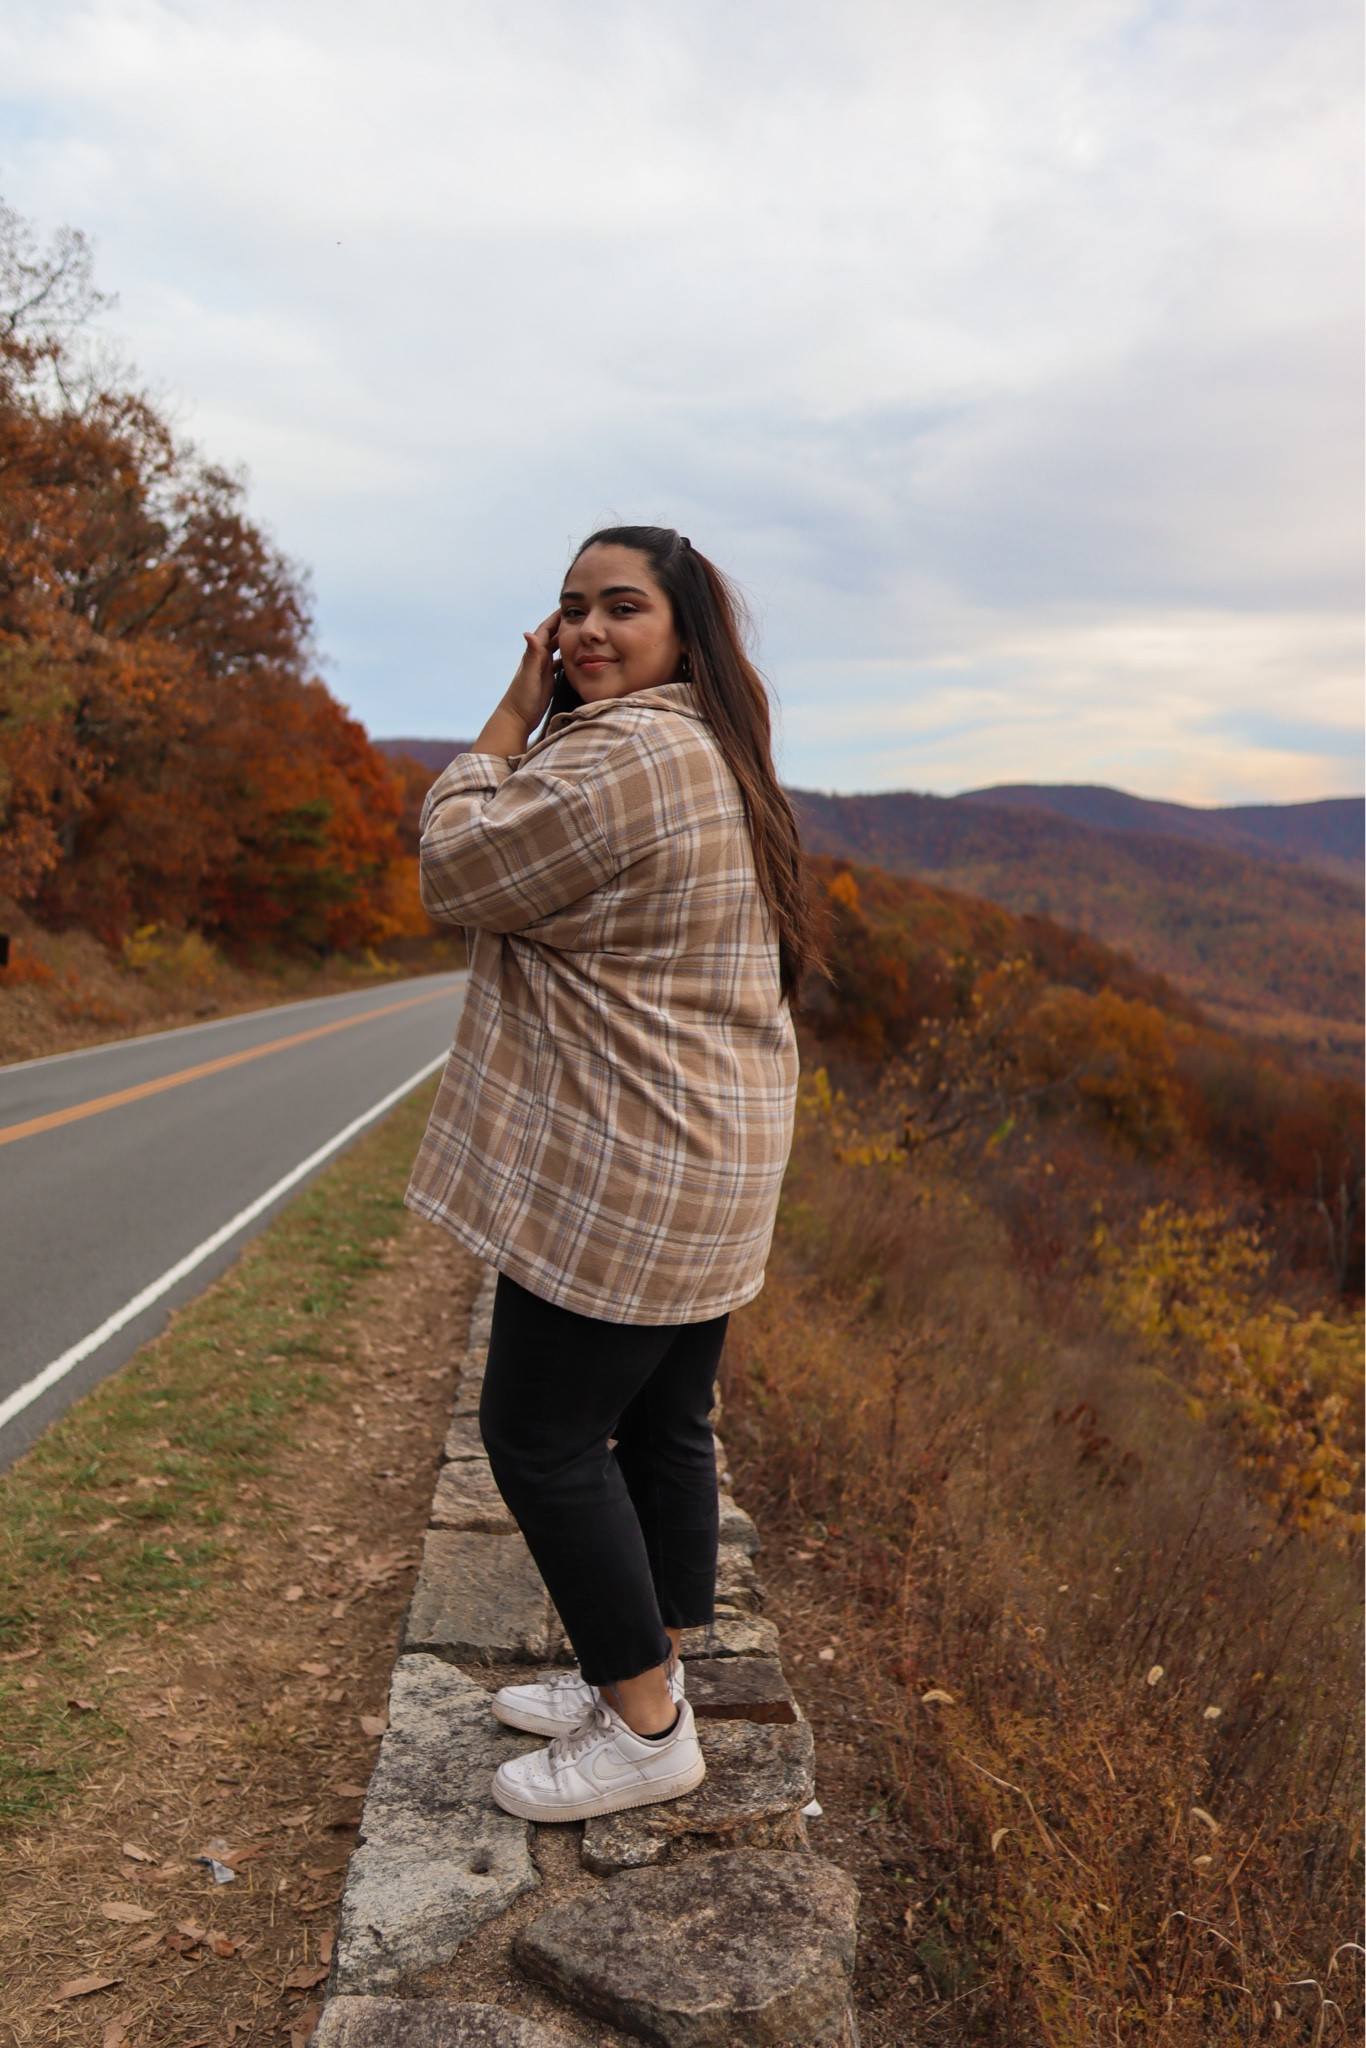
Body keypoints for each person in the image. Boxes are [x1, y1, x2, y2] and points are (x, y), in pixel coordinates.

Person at [406, 525, 815, 1823]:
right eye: (567, 609)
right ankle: (646, 1670)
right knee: (661, 1424)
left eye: (618, 608)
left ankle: (645, 1730)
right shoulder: (706, 749)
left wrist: (510, 711)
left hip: (631, 1167)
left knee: (536, 1436)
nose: (584, 630)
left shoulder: (627, 750)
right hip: (711, 1150)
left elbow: (457, 867)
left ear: (681, 631)